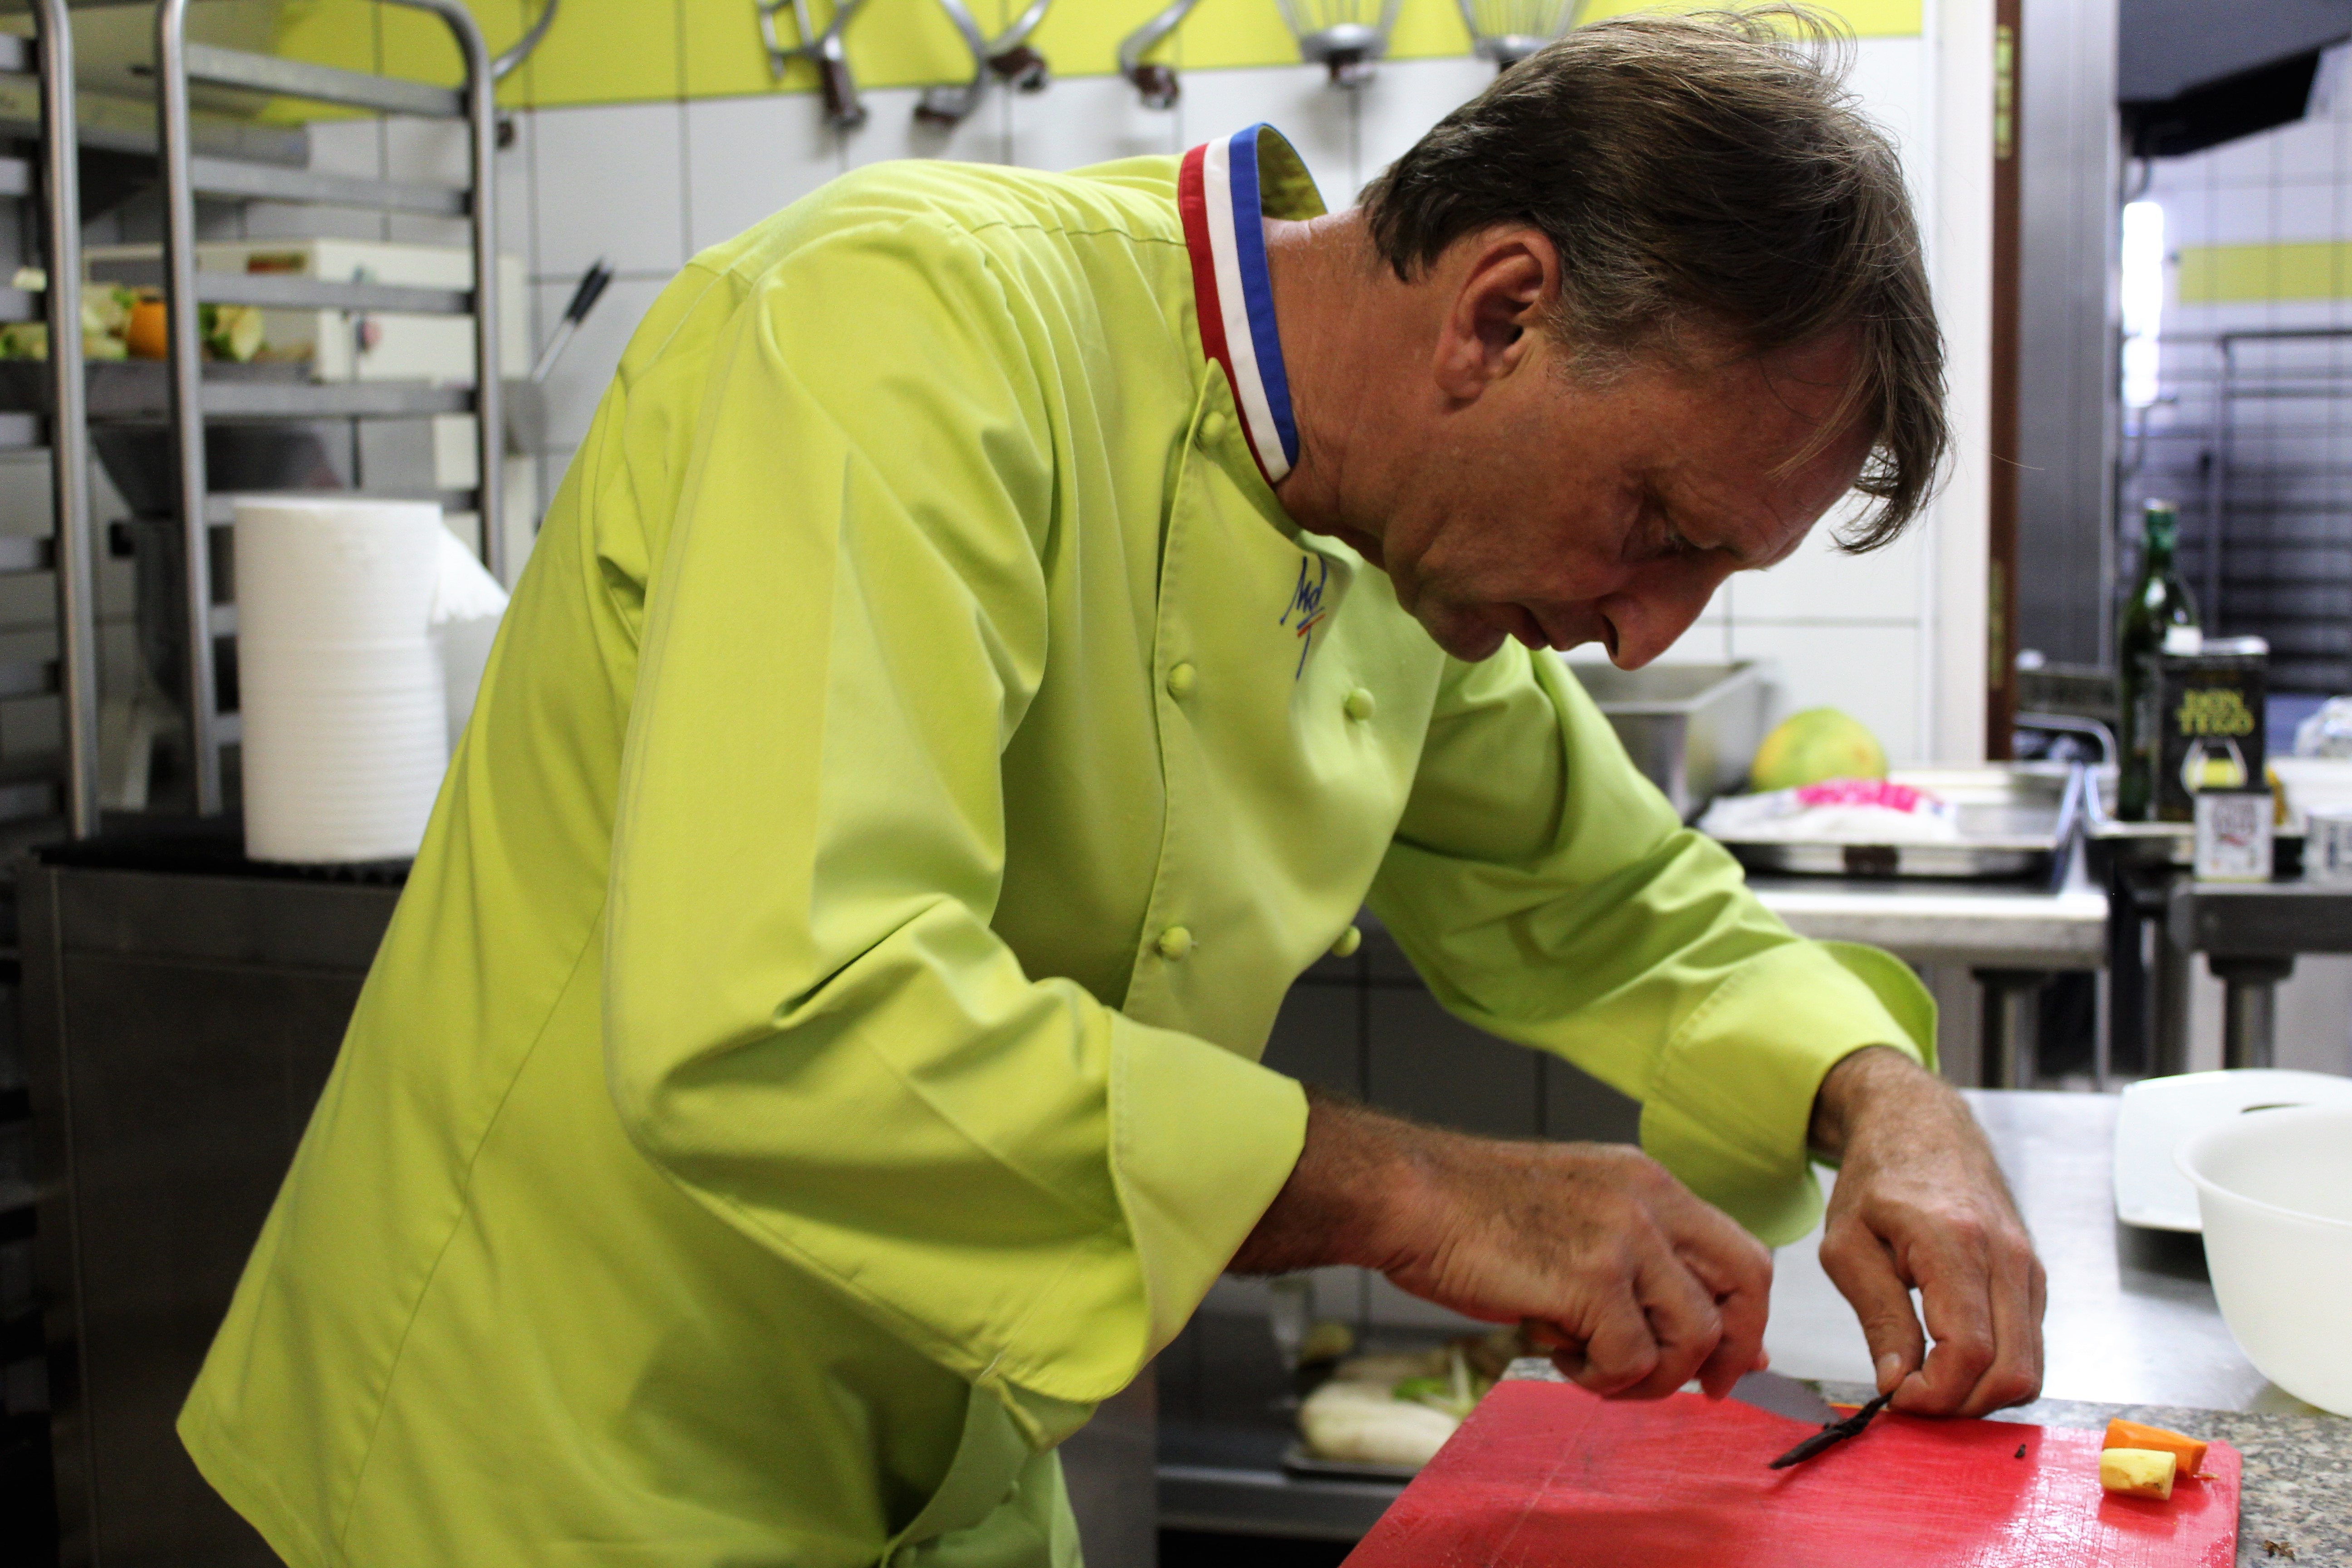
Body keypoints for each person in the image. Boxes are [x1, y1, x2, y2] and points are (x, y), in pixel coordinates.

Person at [181, 11, 2044, 1566]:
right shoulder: (899, 335)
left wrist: (1882, 1095)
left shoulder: (1405, 559)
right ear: (1499, 315)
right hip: (549, 1450)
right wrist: (1411, 1188)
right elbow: (779, 1008)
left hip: (946, 1463)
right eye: (1657, 527)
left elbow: (1612, 900)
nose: (1646, 635)